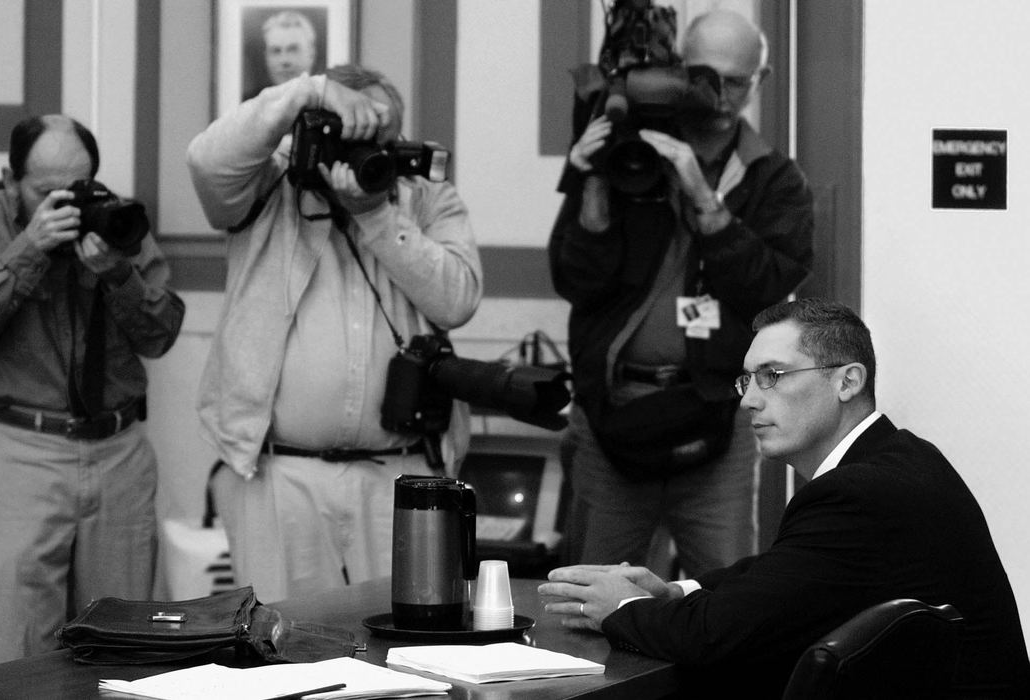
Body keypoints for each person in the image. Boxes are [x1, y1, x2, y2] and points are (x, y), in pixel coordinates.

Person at [540, 298, 1030, 698]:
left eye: (772, 375)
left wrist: (621, 605)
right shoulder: (900, 458)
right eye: (747, 380)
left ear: (847, 381)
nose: (750, 399)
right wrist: (676, 591)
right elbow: (780, 572)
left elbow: (716, 636)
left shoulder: (859, 493)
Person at [187, 64, 482, 603]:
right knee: (282, 647)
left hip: (404, 470)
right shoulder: (268, 185)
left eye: (382, 136)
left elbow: (457, 299)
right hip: (279, 472)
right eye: (353, 134)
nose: (368, 152)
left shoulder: (426, 196)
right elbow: (204, 160)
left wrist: (375, 215)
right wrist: (312, 90)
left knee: (408, 642)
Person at [548, 8, 813, 574]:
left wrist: (703, 198)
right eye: (702, 76)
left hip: (717, 413)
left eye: (736, 81)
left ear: (760, 81)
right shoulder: (628, 153)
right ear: (673, 70)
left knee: (726, 599)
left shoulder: (773, 178)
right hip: (613, 412)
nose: (717, 96)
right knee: (588, 601)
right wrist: (594, 178)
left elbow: (767, 290)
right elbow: (577, 282)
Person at [0, 115, 185, 666]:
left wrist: (119, 274)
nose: (66, 202)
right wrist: (29, 248)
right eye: (46, 191)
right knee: (14, 647)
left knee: (125, 643)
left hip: (118, 454)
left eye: (80, 185)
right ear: (11, 181)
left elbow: (161, 334)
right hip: (19, 453)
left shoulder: (117, 221)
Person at [260, 10, 318, 88]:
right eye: (276, 51)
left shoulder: (331, 98)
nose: (284, 61)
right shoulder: (248, 99)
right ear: (266, 57)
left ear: (311, 54)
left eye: (293, 50)